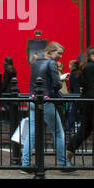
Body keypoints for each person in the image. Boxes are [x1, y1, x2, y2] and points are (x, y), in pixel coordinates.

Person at [22, 42, 71, 173]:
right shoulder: (51, 63)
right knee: (58, 132)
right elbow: (57, 85)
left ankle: (25, 164)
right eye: (58, 53)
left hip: (33, 100)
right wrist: (59, 80)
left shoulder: (35, 62)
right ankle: (64, 163)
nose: (60, 56)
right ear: (50, 51)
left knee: (32, 133)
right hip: (46, 101)